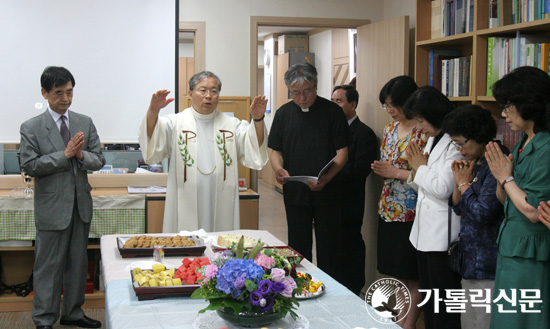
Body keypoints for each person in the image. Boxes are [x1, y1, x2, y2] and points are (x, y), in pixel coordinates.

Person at [19, 66, 105, 329]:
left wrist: (80, 156)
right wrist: (64, 155)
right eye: (59, 93)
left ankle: (73, 313)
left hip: (80, 207)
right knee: (48, 267)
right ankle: (44, 318)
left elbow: (99, 159)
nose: (66, 99)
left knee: (78, 264)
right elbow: (30, 165)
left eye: (69, 92)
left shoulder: (84, 122)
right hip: (52, 209)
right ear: (45, 93)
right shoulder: (31, 127)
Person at [138, 71, 268, 233]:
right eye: (203, 90)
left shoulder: (231, 125)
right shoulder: (176, 122)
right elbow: (152, 137)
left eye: (214, 91)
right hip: (186, 198)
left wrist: (257, 119)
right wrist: (153, 111)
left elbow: (254, 146)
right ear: (191, 93)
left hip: (220, 196)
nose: (209, 96)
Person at [268, 63, 349, 280]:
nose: (302, 97)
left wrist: (326, 179)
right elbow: (274, 149)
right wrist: (278, 169)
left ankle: (330, 287)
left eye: (308, 91)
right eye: (296, 93)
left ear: (316, 87)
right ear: (289, 91)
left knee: (329, 246)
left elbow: (342, 153)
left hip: (328, 192)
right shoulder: (283, 113)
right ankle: (297, 286)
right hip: (295, 191)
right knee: (297, 245)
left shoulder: (333, 112)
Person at [485, 66, 550, 329]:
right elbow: (510, 201)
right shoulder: (525, 140)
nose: (503, 114)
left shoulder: (546, 146)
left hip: (530, 252)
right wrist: (502, 181)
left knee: (521, 322)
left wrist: (506, 178)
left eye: (508, 105)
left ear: (529, 102)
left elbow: (535, 211)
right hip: (512, 248)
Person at [443, 105, 507, 329]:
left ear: (479, 135)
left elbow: (483, 213)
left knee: (483, 322)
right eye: (455, 143)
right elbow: (460, 208)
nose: (460, 149)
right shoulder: (476, 161)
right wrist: (458, 181)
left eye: (462, 143)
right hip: (469, 260)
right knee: (469, 323)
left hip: (488, 262)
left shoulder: (497, 161)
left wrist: (463, 184)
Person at [403, 86, 462, 329]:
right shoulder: (432, 140)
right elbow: (424, 185)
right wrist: (416, 169)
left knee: (443, 303)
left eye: (420, 120)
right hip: (424, 233)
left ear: (434, 115)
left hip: (443, 236)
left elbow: (443, 189)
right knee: (430, 299)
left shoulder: (455, 144)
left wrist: (420, 167)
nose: (418, 126)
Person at [371, 75, 427, 329]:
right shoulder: (389, 129)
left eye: (394, 105)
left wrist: (396, 172)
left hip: (413, 211)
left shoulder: (423, 131)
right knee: (395, 270)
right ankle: (400, 321)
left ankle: (407, 324)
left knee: (411, 273)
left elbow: (428, 175)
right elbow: (391, 162)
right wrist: (383, 169)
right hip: (388, 208)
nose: (390, 110)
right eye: (386, 105)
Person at [331, 84, 377, 295]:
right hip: (328, 197)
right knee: (332, 245)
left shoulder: (364, 133)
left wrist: (332, 168)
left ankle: (353, 288)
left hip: (350, 200)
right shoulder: (330, 129)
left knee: (350, 244)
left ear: (353, 104)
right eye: (332, 101)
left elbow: (360, 170)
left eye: (339, 101)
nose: (334, 105)